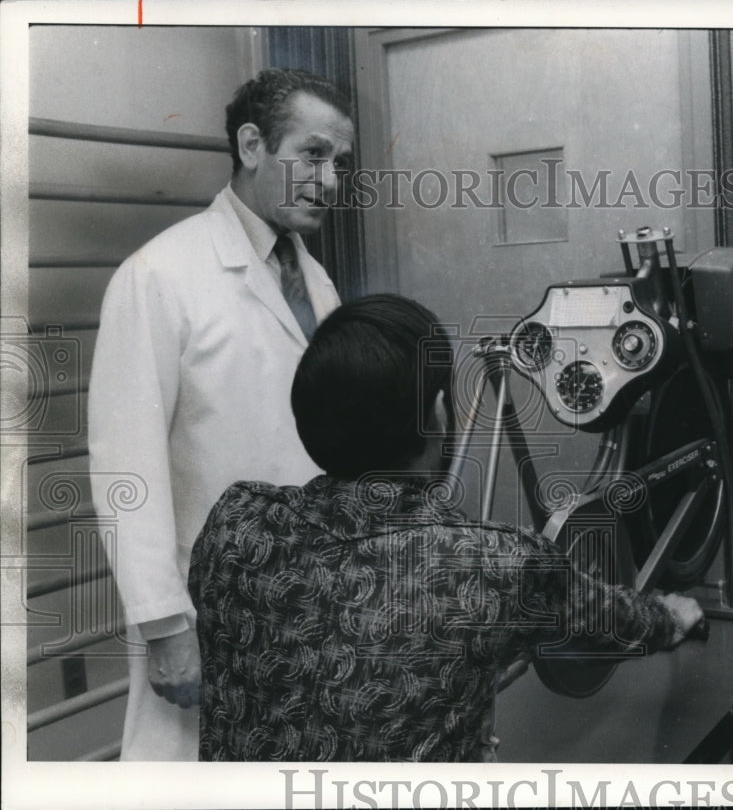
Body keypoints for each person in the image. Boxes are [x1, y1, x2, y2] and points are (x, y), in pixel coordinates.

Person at [187, 294, 705, 762]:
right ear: (438, 413)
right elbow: (614, 621)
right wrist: (672, 616)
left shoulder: (236, 523)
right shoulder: (493, 565)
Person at [88, 68, 354, 761]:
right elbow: (126, 464)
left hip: (311, 605)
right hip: (209, 615)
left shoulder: (317, 281)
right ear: (252, 144)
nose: (330, 183)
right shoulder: (159, 277)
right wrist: (164, 624)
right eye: (315, 155)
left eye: (340, 164)